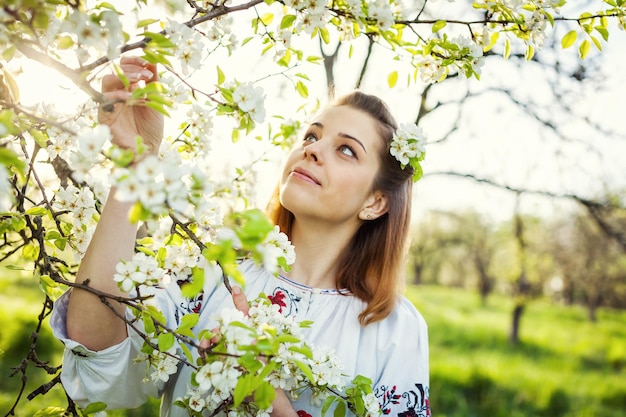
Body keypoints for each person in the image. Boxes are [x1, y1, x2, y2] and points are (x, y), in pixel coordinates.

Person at [50, 56, 431, 417]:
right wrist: (134, 163)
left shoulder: (394, 329)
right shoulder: (214, 272)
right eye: (311, 135)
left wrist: (270, 398)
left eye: (346, 149)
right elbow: (99, 358)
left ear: (376, 202)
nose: (312, 149)